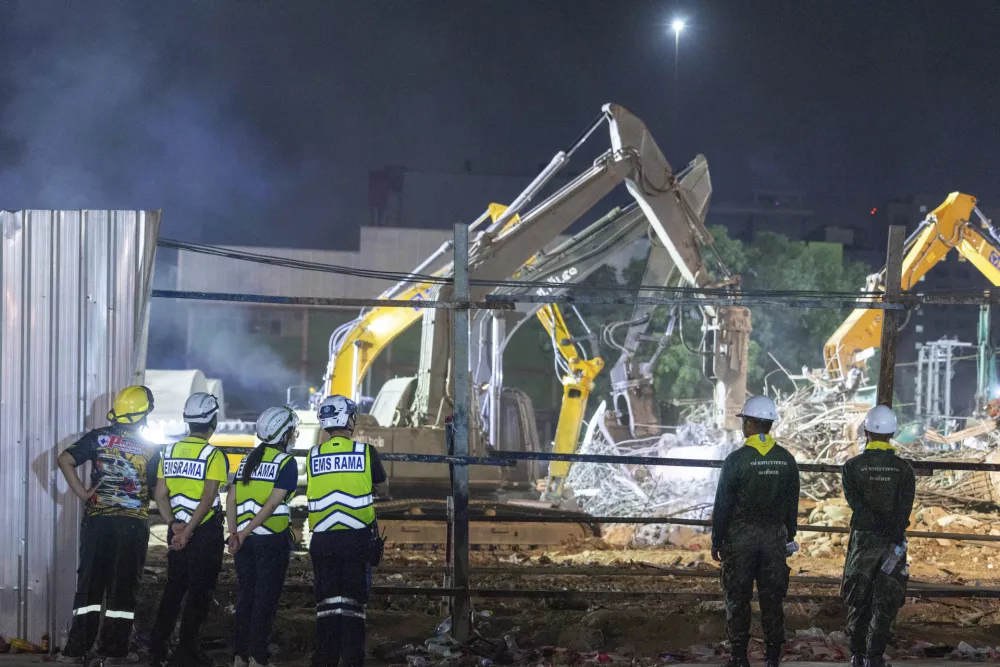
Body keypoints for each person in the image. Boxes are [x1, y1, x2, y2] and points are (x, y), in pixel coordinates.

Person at [57, 385, 159, 664]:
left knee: (90, 585)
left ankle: (77, 651)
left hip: (97, 522)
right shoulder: (150, 447)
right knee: (123, 588)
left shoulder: (98, 437)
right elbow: (157, 488)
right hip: (132, 526)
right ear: (144, 412)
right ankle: (114, 653)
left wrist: (82, 493)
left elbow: (64, 459)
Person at [711, 395, 800, 667]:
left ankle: (739, 657)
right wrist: (789, 536)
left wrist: (717, 539)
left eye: (743, 421)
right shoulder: (786, 460)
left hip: (740, 539)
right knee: (772, 599)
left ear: (749, 423)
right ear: (769, 423)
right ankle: (772, 658)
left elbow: (723, 504)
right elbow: (791, 505)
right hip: (774, 538)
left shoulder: (736, 460)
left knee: (738, 598)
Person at [307, 395, 389, 667]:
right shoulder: (366, 452)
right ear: (348, 420)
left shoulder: (313, 455)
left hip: (323, 540)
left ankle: (325, 659)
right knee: (353, 604)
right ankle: (352, 659)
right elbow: (381, 486)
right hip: (356, 539)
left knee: (327, 603)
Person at [149, 393, 228, 667]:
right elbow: (207, 500)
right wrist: (189, 531)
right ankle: (186, 651)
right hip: (203, 531)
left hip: (178, 528)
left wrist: (174, 526)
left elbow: (160, 494)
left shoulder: (168, 452)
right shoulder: (213, 454)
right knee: (200, 591)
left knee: (174, 588)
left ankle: (157, 649)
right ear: (213, 421)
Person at [841, 405, 915, 667]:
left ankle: (857, 655)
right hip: (892, 544)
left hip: (863, 541)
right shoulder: (904, 469)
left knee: (858, 598)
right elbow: (904, 510)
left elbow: (856, 504)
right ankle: (875, 657)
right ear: (893, 432)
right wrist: (891, 532)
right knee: (885, 601)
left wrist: (873, 524)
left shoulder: (852, 467)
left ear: (866, 431)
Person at [226, 406, 300, 667]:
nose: (294, 435)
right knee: (265, 600)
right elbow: (271, 505)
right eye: (291, 430)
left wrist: (234, 533)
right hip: (272, 539)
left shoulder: (246, 460)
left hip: (244, 542)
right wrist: (242, 534)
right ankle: (258, 657)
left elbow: (232, 498)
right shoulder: (286, 463)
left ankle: (239, 655)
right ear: (283, 432)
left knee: (246, 596)